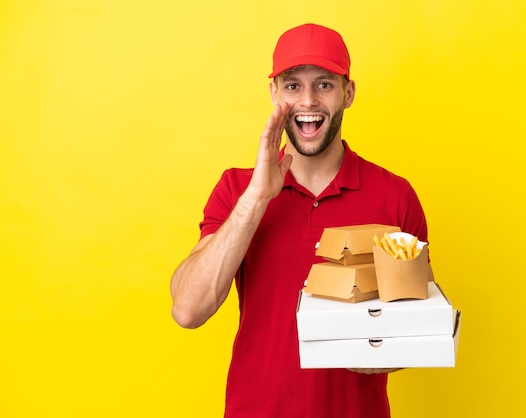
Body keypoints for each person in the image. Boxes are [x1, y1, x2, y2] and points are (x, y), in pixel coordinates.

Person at [170, 23, 429, 418]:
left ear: (349, 92)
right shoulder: (237, 189)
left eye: (324, 84)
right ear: (275, 93)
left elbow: (416, 325)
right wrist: (257, 198)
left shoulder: (395, 197)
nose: (308, 101)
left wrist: (386, 350)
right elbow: (188, 310)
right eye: (293, 86)